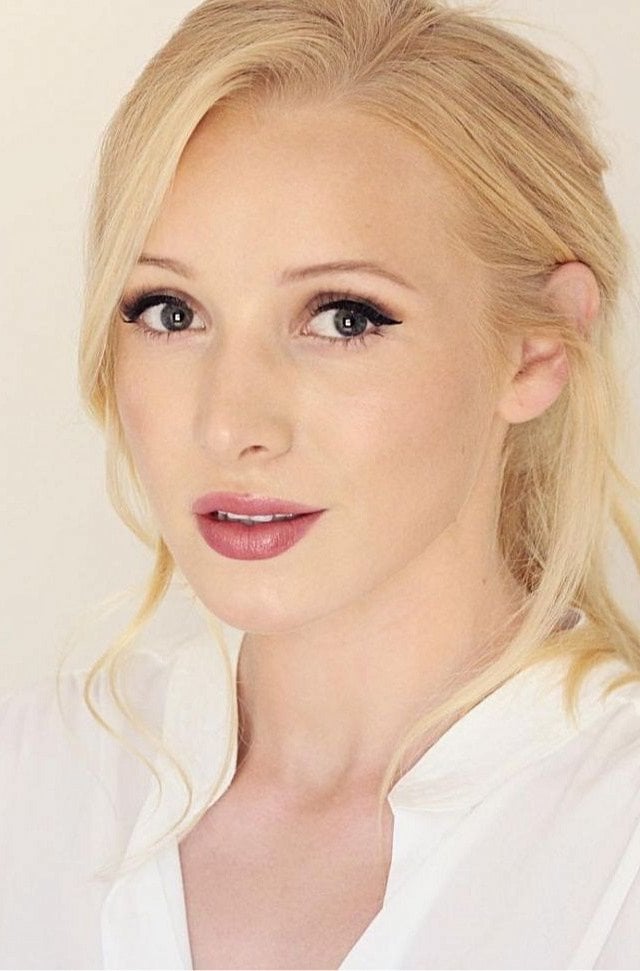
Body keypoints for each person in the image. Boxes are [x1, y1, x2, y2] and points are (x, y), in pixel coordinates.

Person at [2, 0, 640, 967]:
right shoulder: (33, 782)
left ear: (537, 350)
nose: (229, 424)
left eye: (344, 317)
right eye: (169, 311)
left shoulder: (616, 843)